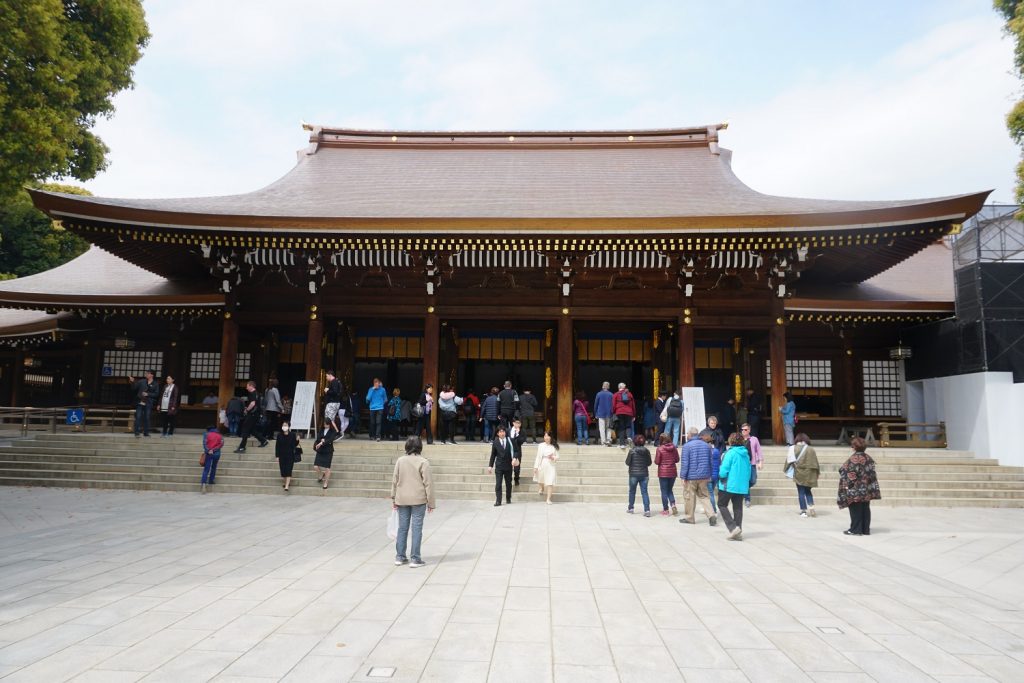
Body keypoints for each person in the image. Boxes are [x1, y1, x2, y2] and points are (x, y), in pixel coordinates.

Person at [392, 436, 435, 568]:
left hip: (402, 498)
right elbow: (429, 484)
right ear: (420, 447)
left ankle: (400, 556)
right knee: (417, 529)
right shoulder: (423, 462)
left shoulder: (400, 460)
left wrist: (393, 497)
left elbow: (395, 480)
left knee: (402, 528)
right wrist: (431, 503)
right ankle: (415, 558)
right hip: (418, 499)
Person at [838, 436, 881, 535]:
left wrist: (848, 487)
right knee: (865, 509)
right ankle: (865, 529)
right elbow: (871, 473)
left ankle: (855, 530)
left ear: (854, 447)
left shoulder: (854, 458)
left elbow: (849, 473)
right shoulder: (868, 457)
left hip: (855, 489)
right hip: (867, 489)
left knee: (855, 509)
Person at [679, 427, 717, 526]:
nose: (687, 435)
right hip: (704, 476)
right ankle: (711, 515)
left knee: (689, 497)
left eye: (687, 433)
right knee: (704, 496)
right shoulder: (707, 446)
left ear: (690, 434)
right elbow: (710, 461)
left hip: (691, 477)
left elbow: (685, 463)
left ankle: (690, 518)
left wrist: (683, 476)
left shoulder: (687, 446)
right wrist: (709, 474)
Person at [718, 433, 752, 540]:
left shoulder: (730, 453)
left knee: (722, 504)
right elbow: (749, 470)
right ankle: (738, 530)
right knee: (738, 508)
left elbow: (724, 470)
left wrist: (720, 475)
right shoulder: (746, 454)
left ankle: (733, 528)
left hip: (728, 484)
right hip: (741, 485)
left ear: (730, 441)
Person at [787, 433, 820, 517]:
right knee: (808, 491)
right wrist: (817, 473)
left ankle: (803, 511)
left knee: (801, 492)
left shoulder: (792, 448)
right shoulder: (811, 449)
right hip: (810, 474)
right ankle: (811, 506)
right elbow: (816, 463)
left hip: (799, 473)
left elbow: (789, 461)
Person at [235, 381, 268, 453]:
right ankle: (263, 440)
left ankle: (242, 447)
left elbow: (253, 403)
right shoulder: (257, 393)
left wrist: (247, 410)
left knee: (245, 429)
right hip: (255, 414)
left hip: (252, 414)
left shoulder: (253, 393)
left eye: (247, 386)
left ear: (251, 386)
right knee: (251, 430)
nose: (246, 388)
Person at [488, 425, 518, 506]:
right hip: (499, 466)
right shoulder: (495, 442)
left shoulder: (510, 440)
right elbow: (493, 455)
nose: (502, 433)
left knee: (508, 484)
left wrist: (515, 458)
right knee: (498, 484)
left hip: (508, 465)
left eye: (503, 431)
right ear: (497, 433)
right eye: (500, 432)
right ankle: (498, 500)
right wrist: (490, 466)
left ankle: (508, 498)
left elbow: (516, 451)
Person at [625, 435, 652, 516]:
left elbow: (627, 462)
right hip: (644, 474)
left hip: (633, 474)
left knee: (632, 491)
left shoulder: (632, 451)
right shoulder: (647, 451)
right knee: (644, 492)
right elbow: (649, 463)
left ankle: (631, 508)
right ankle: (647, 510)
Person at [654, 433, 679, 516]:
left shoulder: (660, 449)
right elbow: (677, 459)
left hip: (663, 472)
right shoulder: (674, 448)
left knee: (664, 491)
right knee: (670, 490)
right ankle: (673, 504)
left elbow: (657, 461)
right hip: (672, 472)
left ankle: (666, 509)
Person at [313, 413, 340, 490]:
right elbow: (318, 438)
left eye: (327, 424)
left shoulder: (332, 431)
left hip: (328, 451)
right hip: (320, 450)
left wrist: (322, 442)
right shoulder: (321, 430)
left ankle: (326, 482)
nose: (325, 426)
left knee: (327, 468)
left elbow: (330, 439)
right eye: (324, 424)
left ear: (329, 424)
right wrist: (321, 440)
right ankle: (321, 475)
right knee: (315, 466)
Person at [740, 423, 764, 507]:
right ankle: (747, 499)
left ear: (749, 430)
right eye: (742, 429)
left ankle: (743, 489)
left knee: (753, 480)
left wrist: (760, 462)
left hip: (752, 463)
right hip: (742, 464)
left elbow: (759, 451)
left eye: (745, 429)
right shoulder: (739, 439)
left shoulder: (754, 439)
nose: (743, 431)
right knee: (746, 481)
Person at [533, 430, 559, 504]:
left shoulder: (554, 446)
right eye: (545, 436)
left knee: (550, 482)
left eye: (547, 436)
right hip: (542, 464)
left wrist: (553, 457)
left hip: (551, 465)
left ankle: (548, 499)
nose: (546, 437)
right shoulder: (541, 445)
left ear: (551, 437)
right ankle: (541, 487)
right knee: (540, 479)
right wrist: (536, 467)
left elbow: (558, 456)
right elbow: (538, 457)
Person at [128, 369, 156, 437]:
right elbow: (134, 388)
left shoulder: (155, 384)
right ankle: (137, 432)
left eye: (148, 373)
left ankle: (146, 433)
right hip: (140, 402)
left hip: (148, 403)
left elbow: (156, 394)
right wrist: (132, 382)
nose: (146, 374)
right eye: (146, 373)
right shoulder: (141, 381)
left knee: (147, 417)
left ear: (152, 375)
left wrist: (148, 394)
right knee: (138, 416)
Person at [275, 420, 301, 492]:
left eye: (286, 425)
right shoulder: (279, 435)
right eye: (283, 425)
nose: (284, 427)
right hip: (282, 455)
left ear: (289, 426)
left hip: (290, 455)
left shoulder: (292, 435)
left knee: (289, 470)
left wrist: (297, 440)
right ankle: (285, 482)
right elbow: (277, 446)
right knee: (283, 471)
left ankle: (287, 486)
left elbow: (294, 444)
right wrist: (277, 456)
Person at [200, 425, 223, 494]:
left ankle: (203, 483)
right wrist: (214, 449)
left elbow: (204, 443)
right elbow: (221, 444)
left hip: (208, 454)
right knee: (214, 467)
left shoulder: (206, 435)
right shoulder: (220, 435)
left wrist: (208, 450)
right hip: (217, 454)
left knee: (206, 469)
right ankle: (211, 480)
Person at [613, 383, 635, 449]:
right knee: (628, 426)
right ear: (624, 387)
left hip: (619, 412)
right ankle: (629, 437)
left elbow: (613, 405)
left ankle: (622, 444)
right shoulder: (629, 394)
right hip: (629, 412)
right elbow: (633, 405)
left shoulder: (616, 394)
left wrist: (614, 412)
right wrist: (634, 415)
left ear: (618, 387)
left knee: (621, 428)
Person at [703, 432, 721, 514]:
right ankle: (709, 508)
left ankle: (713, 510)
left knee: (710, 494)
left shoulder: (706, 452)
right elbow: (719, 463)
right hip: (716, 475)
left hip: (708, 475)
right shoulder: (716, 451)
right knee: (711, 492)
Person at [594, 381, 614, 447]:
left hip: (600, 413)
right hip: (609, 413)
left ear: (603, 386)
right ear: (608, 387)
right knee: (608, 427)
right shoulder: (611, 394)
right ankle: (608, 440)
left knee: (601, 428)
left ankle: (603, 442)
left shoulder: (598, 394)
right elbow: (613, 405)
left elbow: (596, 405)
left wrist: (595, 413)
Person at [509, 417, 527, 485]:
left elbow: (521, 441)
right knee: (508, 466)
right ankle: (509, 479)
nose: (518, 424)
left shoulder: (522, 431)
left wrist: (518, 433)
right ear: (513, 423)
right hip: (509, 450)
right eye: (516, 423)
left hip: (517, 450)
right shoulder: (509, 430)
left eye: (519, 423)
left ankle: (516, 478)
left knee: (517, 467)